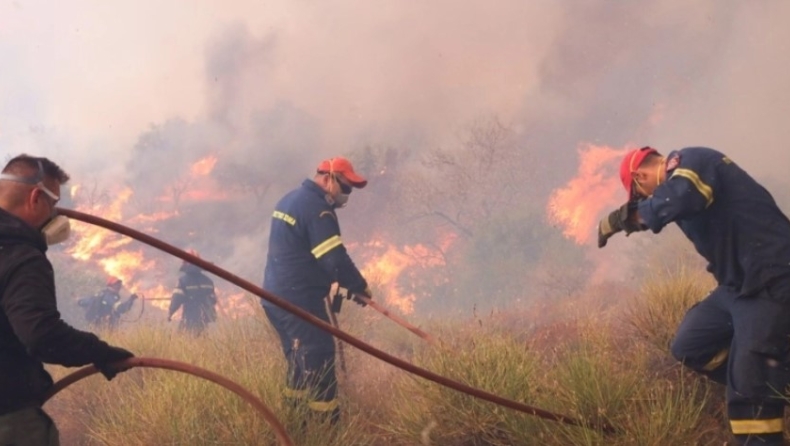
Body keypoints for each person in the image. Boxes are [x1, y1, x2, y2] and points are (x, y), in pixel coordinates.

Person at [598, 146, 790, 445]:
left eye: (640, 195)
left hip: (769, 281)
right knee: (691, 344)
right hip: (735, 288)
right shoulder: (676, 191)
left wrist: (623, 218)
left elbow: (682, 197)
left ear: (640, 175)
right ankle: (775, 377)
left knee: (748, 396)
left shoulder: (692, 162)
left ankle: (758, 383)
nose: (645, 201)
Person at [0, 154, 134, 445]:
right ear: (36, 198)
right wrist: (101, 352)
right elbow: (41, 335)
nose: (57, 216)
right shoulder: (21, 257)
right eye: (54, 203)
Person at [262, 156, 372, 425]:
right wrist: (359, 287)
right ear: (328, 178)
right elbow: (333, 257)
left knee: (299, 358)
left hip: (274, 297)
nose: (347, 195)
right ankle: (326, 430)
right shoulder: (318, 210)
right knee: (320, 356)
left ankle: (295, 423)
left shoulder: (289, 200)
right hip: (298, 300)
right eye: (345, 188)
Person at [167, 252, 217, 336]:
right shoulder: (208, 281)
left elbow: (176, 299)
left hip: (190, 316)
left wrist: (170, 313)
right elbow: (213, 300)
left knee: (182, 338)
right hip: (206, 317)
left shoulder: (183, 280)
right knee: (202, 338)